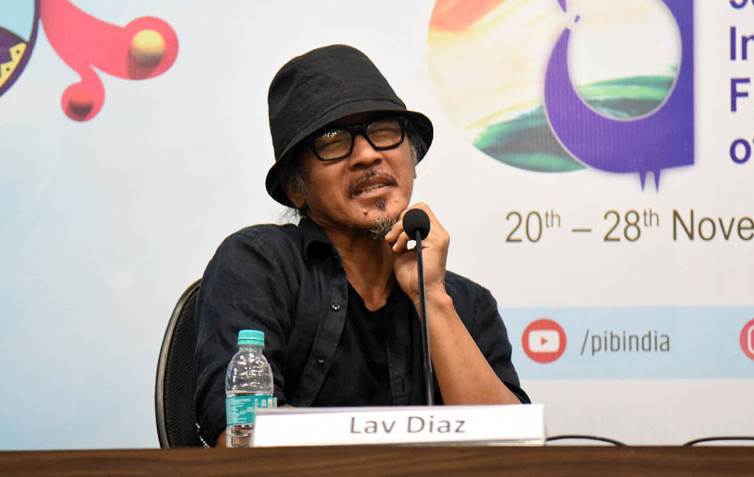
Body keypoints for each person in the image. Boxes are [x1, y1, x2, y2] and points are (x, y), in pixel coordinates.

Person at [194, 44, 529, 447]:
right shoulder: (259, 264)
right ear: (296, 188)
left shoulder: (468, 304)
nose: (367, 155)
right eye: (333, 142)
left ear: (412, 161)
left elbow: (509, 451)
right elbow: (240, 436)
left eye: (384, 132)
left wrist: (433, 298)